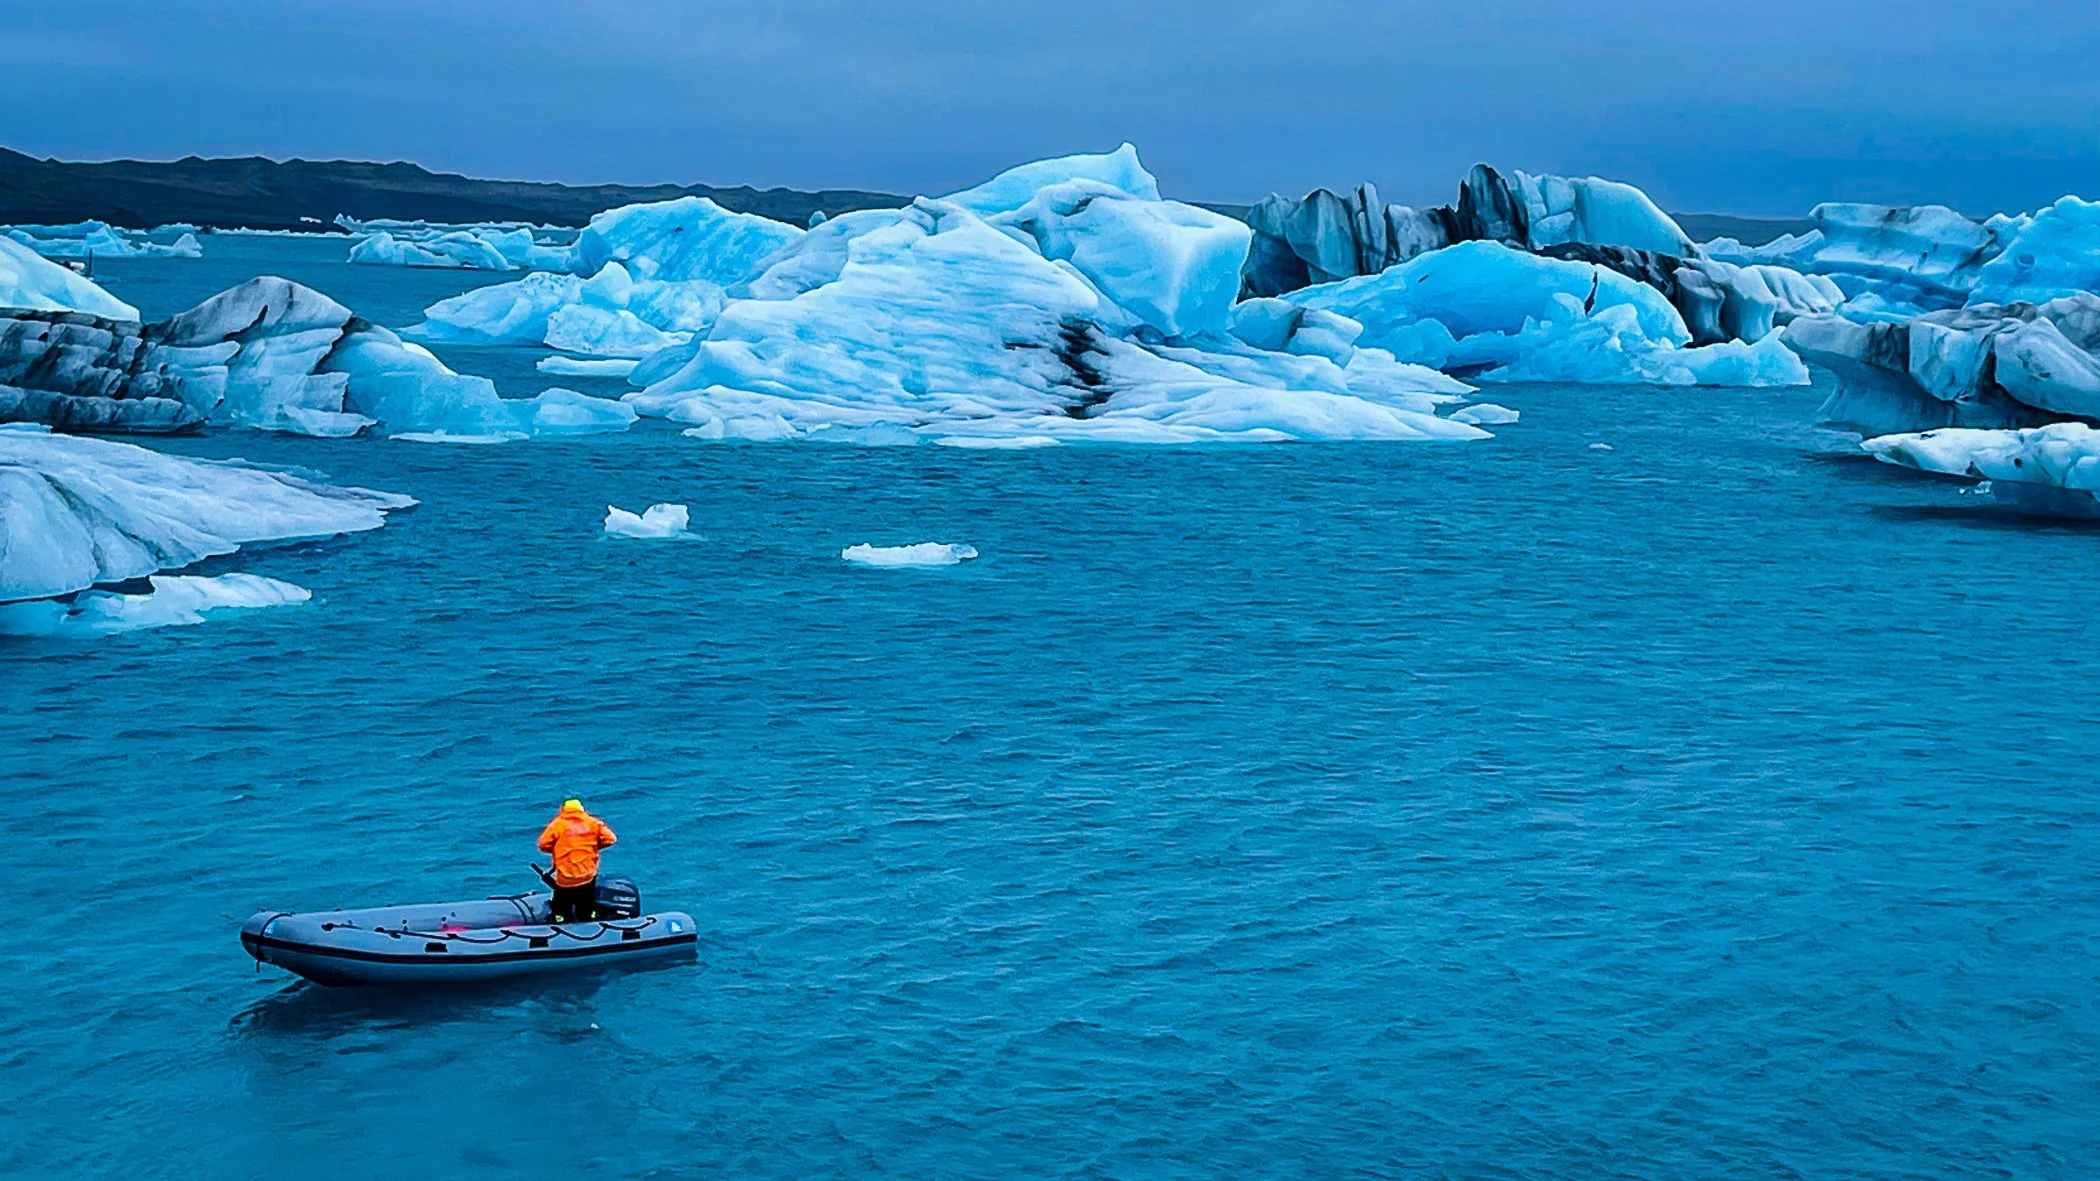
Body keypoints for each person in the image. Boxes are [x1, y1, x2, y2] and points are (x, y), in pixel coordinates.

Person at [537, 798, 618, 922]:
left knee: (562, 901)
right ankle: (587, 917)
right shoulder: (593, 823)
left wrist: (557, 851)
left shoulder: (557, 825)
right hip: (587, 874)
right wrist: (595, 847)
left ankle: (561, 918)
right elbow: (611, 839)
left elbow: (543, 845)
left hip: (565, 877)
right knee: (587, 900)